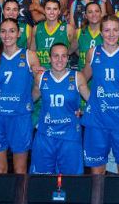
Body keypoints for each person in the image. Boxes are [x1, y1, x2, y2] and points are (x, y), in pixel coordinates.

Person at [82, 15, 119, 175]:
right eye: (107, 30)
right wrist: (91, 99)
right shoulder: (92, 53)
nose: (111, 34)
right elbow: (81, 80)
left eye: (115, 30)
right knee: (97, 172)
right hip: (98, 119)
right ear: (101, 32)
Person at [0, 18, 41, 174]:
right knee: (0, 169)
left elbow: (39, 86)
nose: (7, 35)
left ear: (18, 34)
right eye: (3, 31)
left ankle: (20, 193)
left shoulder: (29, 56)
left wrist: (27, 101)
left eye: (12, 31)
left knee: (20, 169)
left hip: (20, 117)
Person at [30, 43, 90, 175]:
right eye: (55, 56)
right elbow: (30, 100)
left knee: (71, 180)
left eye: (63, 56)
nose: (60, 60)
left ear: (68, 58)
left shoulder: (77, 77)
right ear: (49, 58)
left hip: (69, 136)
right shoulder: (41, 77)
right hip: (45, 136)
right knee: (41, 179)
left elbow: (92, 102)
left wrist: (83, 111)